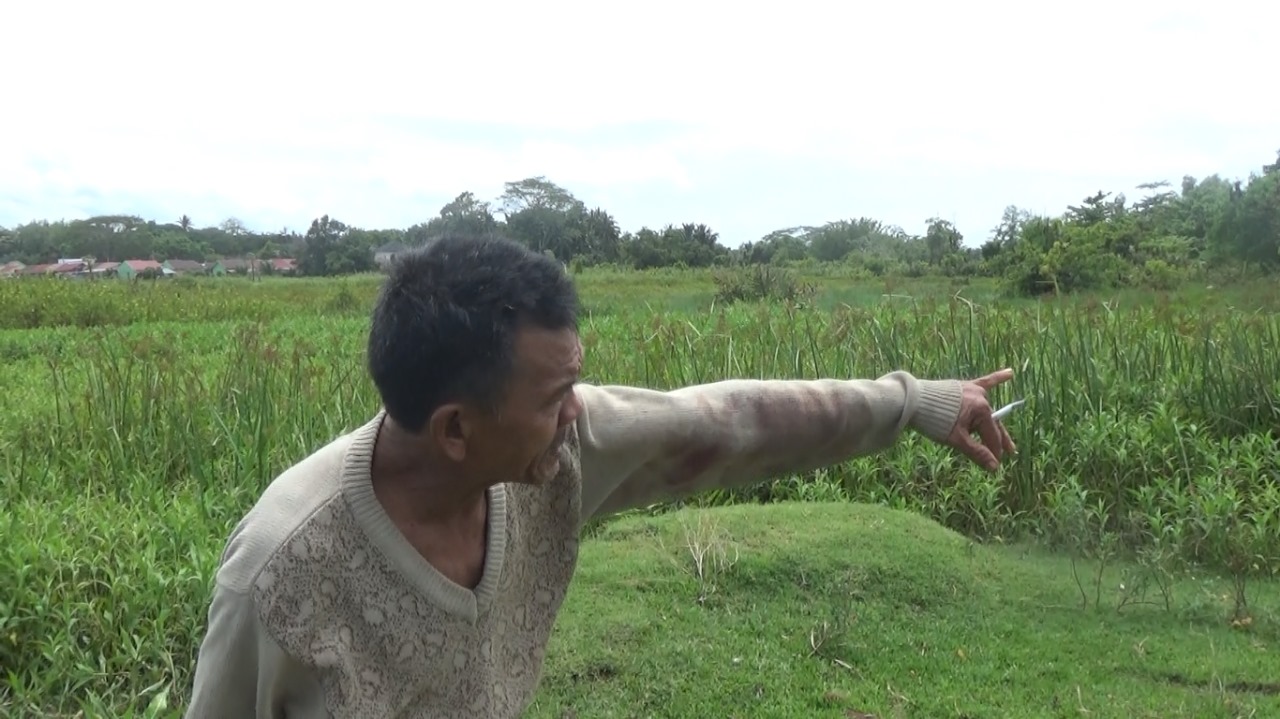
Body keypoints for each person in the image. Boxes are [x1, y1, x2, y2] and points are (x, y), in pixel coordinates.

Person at [183, 232, 1016, 719]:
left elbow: (731, 422)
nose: (579, 411)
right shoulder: (282, 572)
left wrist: (914, 403)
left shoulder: (554, 451)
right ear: (455, 430)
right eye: (554, 396)